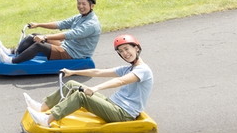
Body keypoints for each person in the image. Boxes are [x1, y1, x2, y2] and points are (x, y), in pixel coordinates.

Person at [24, 34, 153, 127]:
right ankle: (42, 107)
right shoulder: (128, 68)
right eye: (121, 51)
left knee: (81, 96)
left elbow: (121, 81)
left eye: (127, 49)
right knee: (72, 84)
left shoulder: (143, 70)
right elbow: (98, 72)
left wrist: (95, 88)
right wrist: (73, 72)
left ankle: (46, 120)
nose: (125, 53)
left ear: (136, 48)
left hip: (123, 113)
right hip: (112, 104)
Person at [0, 0, 100, 64]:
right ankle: (13, 52)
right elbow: (61, 24)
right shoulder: (80, 17)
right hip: (66, 46)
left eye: (84, 4)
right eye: (79, 3)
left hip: (74, 54)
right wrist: (38, 24)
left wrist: (45, 37)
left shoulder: (91, 24)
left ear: (92, 6)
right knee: (33, 36)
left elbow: (69, 34)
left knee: (39, 45)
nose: (80, 6)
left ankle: (12, 61)